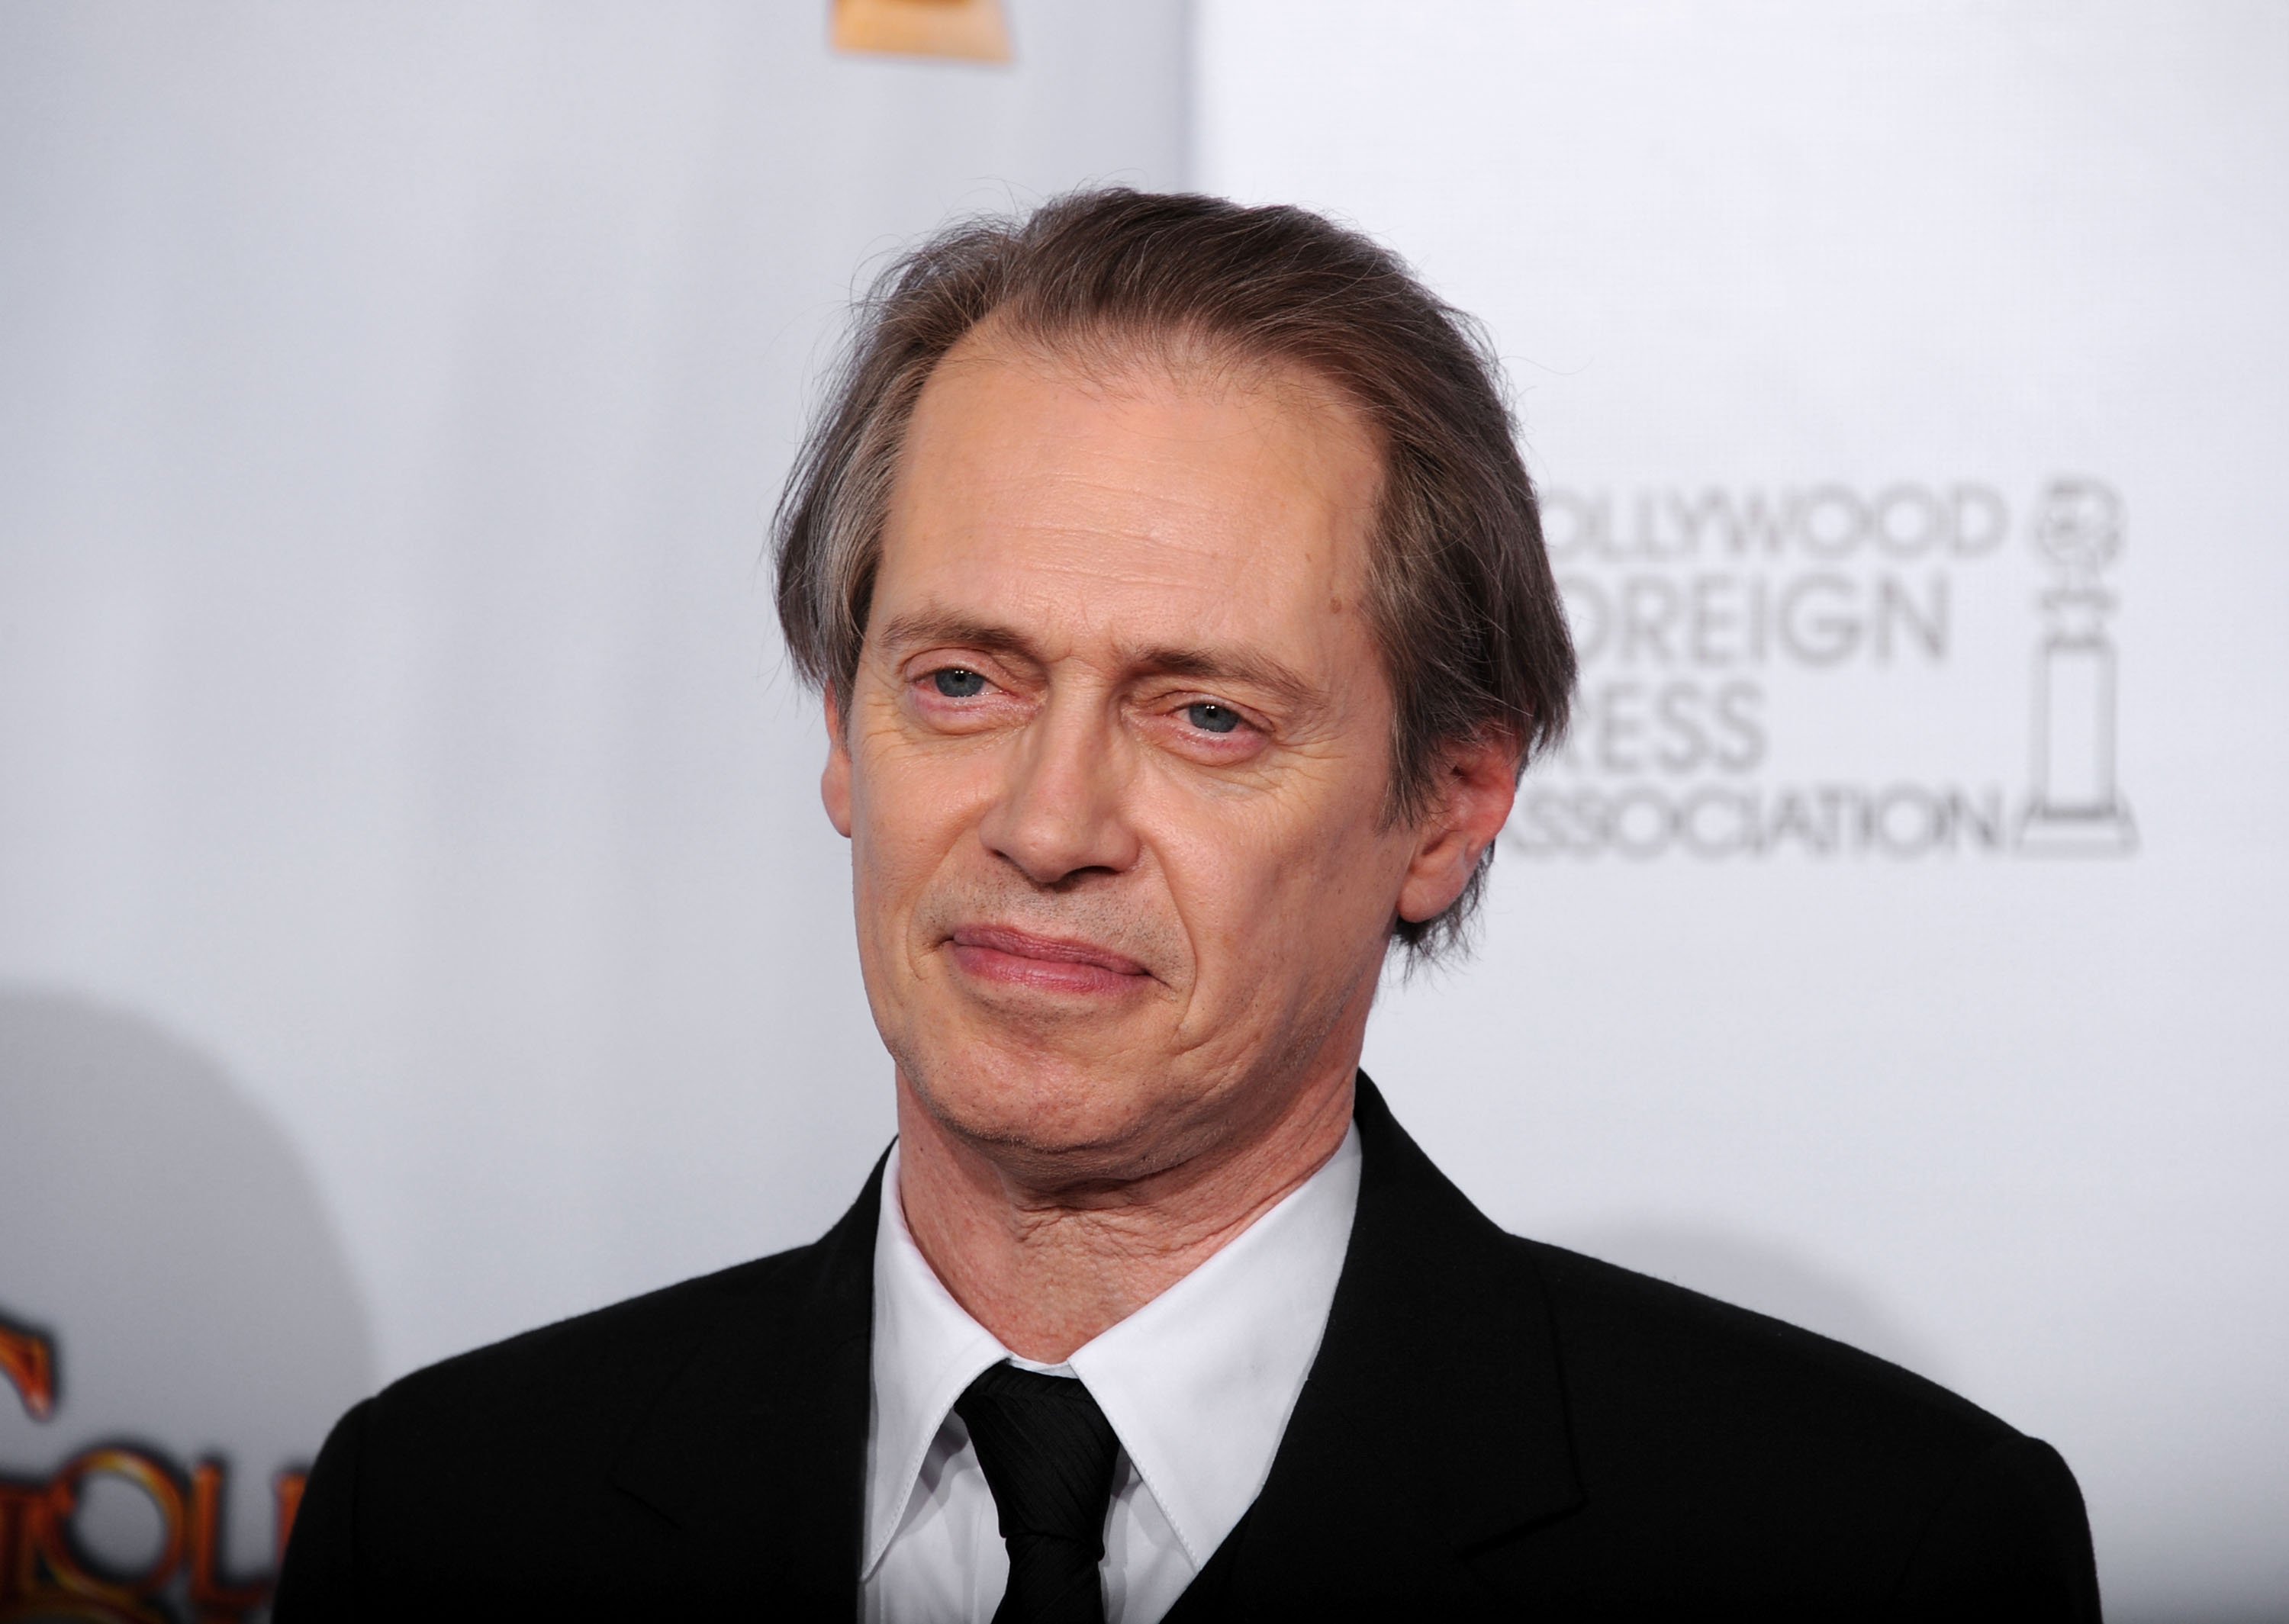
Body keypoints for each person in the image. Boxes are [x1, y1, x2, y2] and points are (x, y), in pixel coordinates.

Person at [274, 189, 2101, 1622]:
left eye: (1206, 715)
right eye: (965, 685)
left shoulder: (1865, 1556)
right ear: (841, 731)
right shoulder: (444, 1518)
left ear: (1449, 806)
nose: (1048, 823)